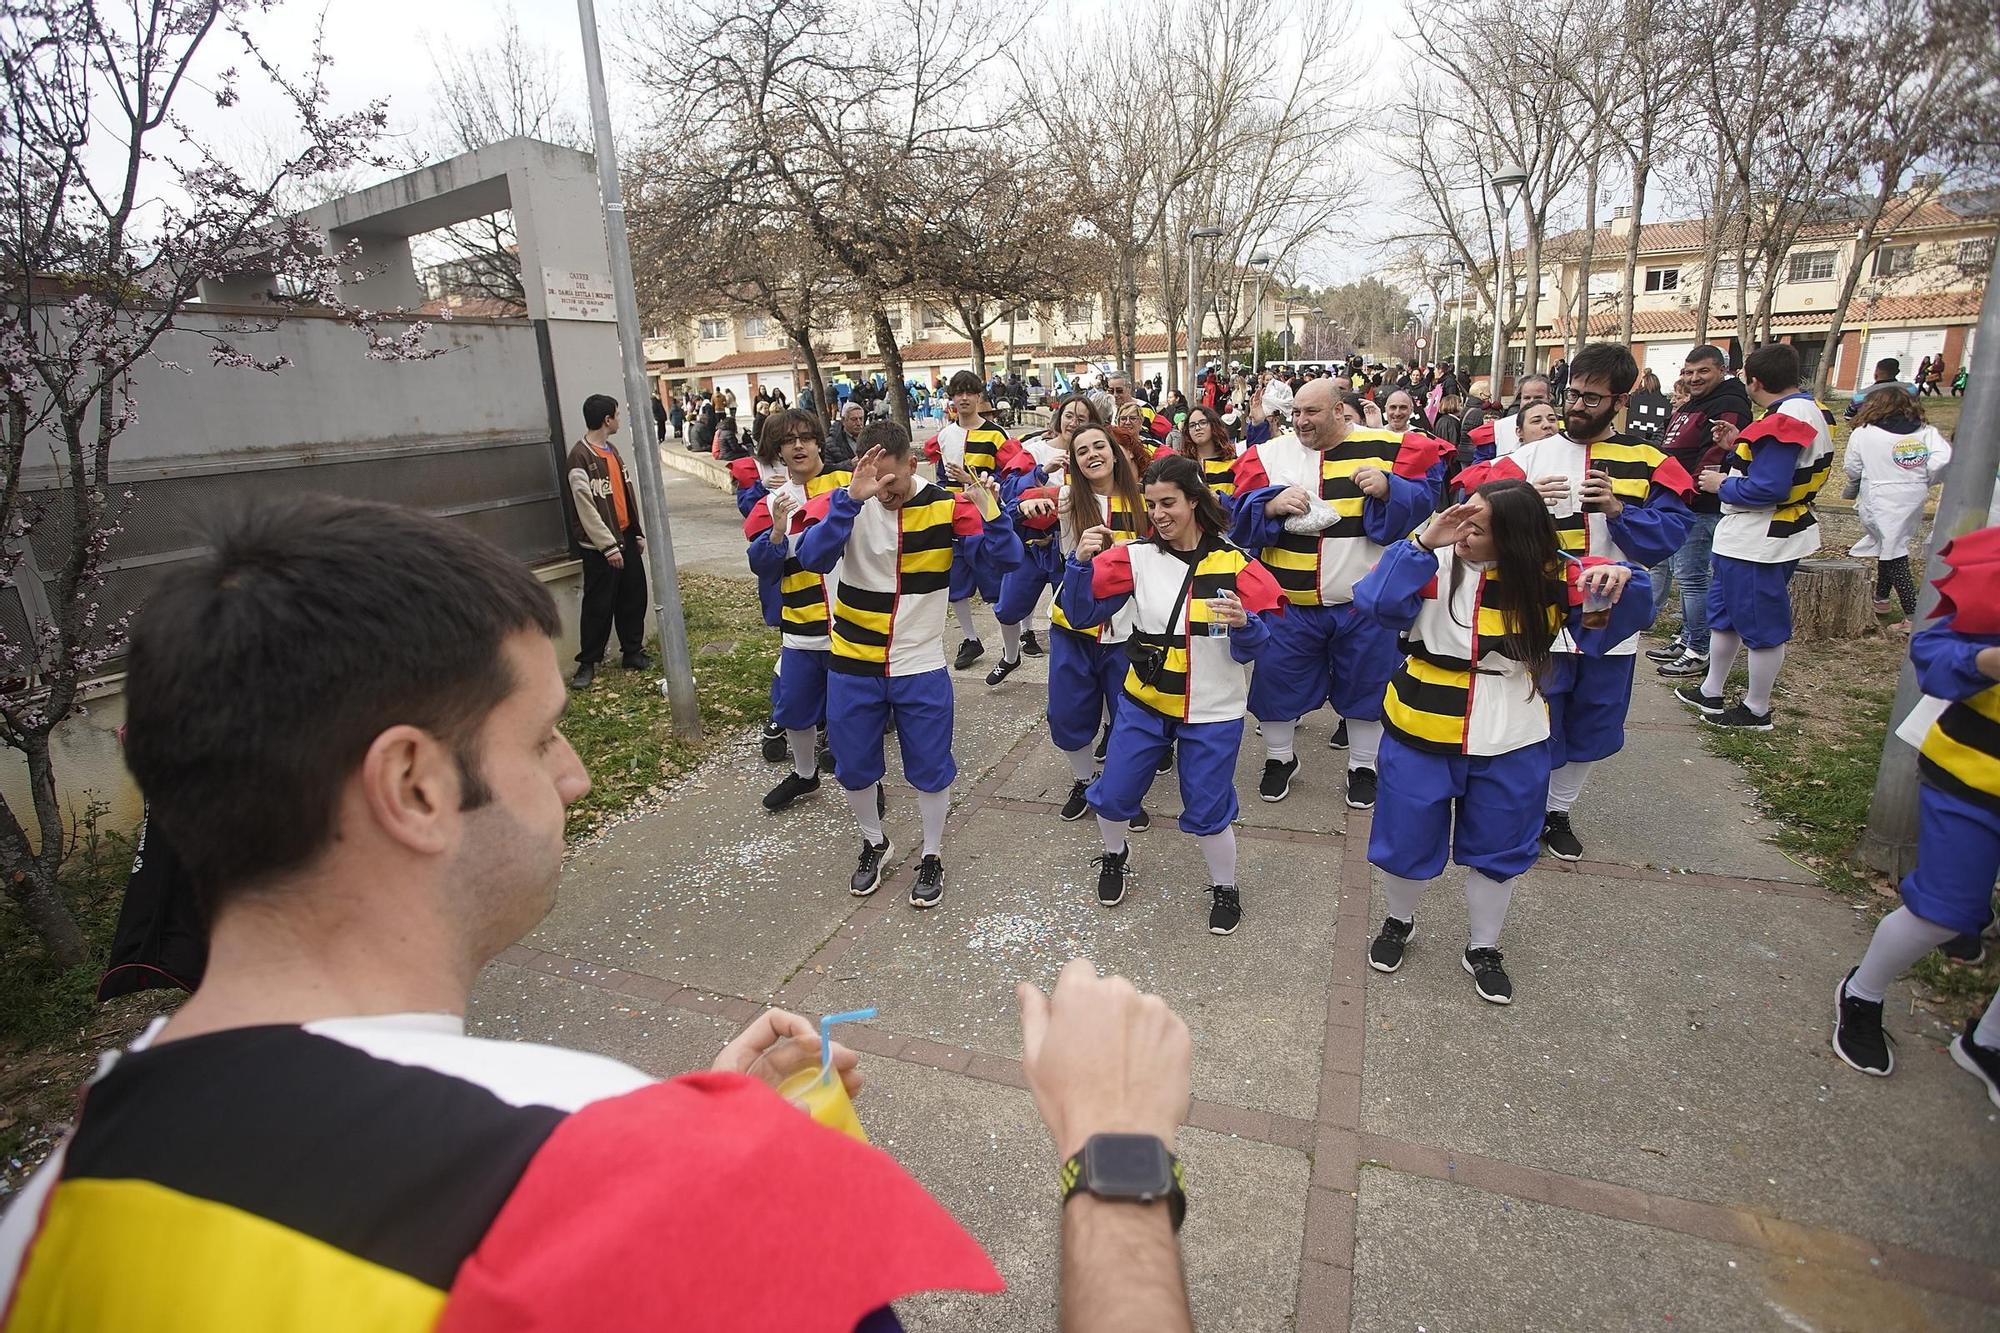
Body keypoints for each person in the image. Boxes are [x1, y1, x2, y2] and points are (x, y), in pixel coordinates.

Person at [0, 495, 1207, 1330]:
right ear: (414, 784)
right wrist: (1116, 1155)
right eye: (539, 735)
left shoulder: (47, 1209)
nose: (575, 773)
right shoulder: (621, 1172)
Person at [1356, 479, 1650, 1003]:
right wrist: (1426, 540)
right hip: (1421, 722)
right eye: (1464, 519)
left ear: (1513, 536)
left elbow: (1624, 611)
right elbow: (1373, 602)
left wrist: (1620, 575)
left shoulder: (1552, 577)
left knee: (1501, 847)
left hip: (1512, 730)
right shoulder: (1429, 564)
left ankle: (1483, 946)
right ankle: (1399, 921)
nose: (1465, 533)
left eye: (1479, 527)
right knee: (1404, 839)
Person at [1460, 344, 1694, 860]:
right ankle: (1523, 807)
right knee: (1534, 718)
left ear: (1620, 399)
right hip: (1536, 614)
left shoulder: (1651, 461)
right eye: (1573, 393)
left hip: (1607, 620)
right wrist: (1514, 501)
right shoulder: (1528, 456)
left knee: (1593, 721)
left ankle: (1558, 811)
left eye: (1592, 397)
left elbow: (1671, 534)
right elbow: (1466, 514)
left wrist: (1617, 510)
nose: (1578, 406)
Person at [796, 422, 1023, 908]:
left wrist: (992, 510)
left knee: (931, 768)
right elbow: (812, 558)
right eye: (874, 480)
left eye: (891, 480)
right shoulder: (848, 499)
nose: (884, 490)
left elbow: (1006, 561)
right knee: (854, 768)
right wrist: (850, 501)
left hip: (918, 661)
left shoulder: (945, 505)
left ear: (912, 464)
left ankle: (934, 853)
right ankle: (875, 841)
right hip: (853, 661)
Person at [1060, 454, 1285, 935]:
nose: (1159, 514)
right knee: (1115, 794)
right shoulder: (1133, 558)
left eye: (1169, 503)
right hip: (1144, 703)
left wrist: (1246, 626)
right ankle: (1114, 855)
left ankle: (1225, 886)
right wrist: (1079, 565)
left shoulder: (1237, 565)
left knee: (1208, 809)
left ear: (1194, 501)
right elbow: (1082, 616)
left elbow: (1258, 646)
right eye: (1152, 505)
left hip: (1212, 710)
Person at [1830, 526, 2000, 1110]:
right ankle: (1863, 992)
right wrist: (1987, 657)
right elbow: (1933, 655)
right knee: (1942, 912)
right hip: (1976, 777)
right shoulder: (1993, 564)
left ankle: (1988, 1043)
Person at [1230, 377, 1449, 810]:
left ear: (1337, 409)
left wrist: (1390, 489)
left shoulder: (1387, 446)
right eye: (1295, 412)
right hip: (1288, 603)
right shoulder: (1269, 455)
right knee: (1276, 684)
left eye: (1311, 411)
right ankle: (1280, 759)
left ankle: (1362, 766)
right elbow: (1237, 515)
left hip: (1361, 604)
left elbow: (1426, 500)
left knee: (1368, 686)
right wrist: (1269, 506)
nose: (1300, 420)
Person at [1678, 342, 1835, 729]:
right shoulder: (1808, 410)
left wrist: (1720, 485)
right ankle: (1711, 690)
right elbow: (1775, 462)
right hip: (1754, 536)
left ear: (1754, 381)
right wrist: (1738, 443)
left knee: (1761, 626)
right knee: (1725, 615)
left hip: (1761, 538)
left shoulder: (1784, 420)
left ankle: (1757, 708)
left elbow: (1769, 487)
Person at [1014, 423, 1154, 828]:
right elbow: (1012, 509)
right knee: (1069, 713)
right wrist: (1023, 506)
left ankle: (1119, 787)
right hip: (1072, 627)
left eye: (1099, 446)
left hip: (1130, 631)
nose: (1092, 454)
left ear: (1115, 453)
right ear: (1072, 461)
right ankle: (1083, 779)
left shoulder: (1146, 503)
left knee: (1128, 715)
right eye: (1081, 450)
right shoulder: (1064, 499)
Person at [745, 410, 856, 811]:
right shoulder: (771, 503)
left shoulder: (848, 484)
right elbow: (761, 564)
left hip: (852, 625)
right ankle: (806, 775)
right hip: (800, 626)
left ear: (818, 442)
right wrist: (776, 530)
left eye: (806, 438)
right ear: (777, 450)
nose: (798, 446)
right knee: (794, 710)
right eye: (789, 441)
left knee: (851, 715)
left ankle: (865, 779)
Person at [1646, 346, 1752, 679]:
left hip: (1700, 503)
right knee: (1683, 574)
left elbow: (1718, 454)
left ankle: (1699, 649)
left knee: (1692, 578)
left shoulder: (1729, 404)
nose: (1694, 378)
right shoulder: (1691, 404)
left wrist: (1688, 489)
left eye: (1703, 371)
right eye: (1689, 372)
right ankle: (1688, 637)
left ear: (1722, 370)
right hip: (1677, 500)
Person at [925, 370, 1022, 671]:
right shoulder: (943, 436)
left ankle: (1011, 652)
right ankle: (970, 638)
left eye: (970, 392)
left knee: (996, 589)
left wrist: (973, 482)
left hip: (984, 521)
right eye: (958, 392)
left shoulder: (996, 435)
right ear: (951, 397)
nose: (964, 398)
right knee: (956, 585)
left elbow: (1010, 479)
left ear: (980, 396)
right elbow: (941, 480)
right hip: (951, 520)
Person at [1843, 387, 1952, 632]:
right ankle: (1881, 599)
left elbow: (1852, 467)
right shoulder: (1926, 432)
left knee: (1894, 551)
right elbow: (1943, 460)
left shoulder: (1863, 433)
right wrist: (1924, 479)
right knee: (1890, 544)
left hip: (1879, 494)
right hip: (1913, 494)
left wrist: (1856, 483)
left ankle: (1913, 616)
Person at [564, 394, 649, 690]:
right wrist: (607, 545)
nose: (619, 420)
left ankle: (633, 652)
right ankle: (587, 662)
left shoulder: (611, 450)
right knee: (598, 604)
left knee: (633, 595)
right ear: (606, 420)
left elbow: (624, 494)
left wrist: (636, 532)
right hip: (601, 545)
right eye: (616, 415)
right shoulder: (580, 457)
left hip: (625, 535)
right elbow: (584, 506)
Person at [1845, 357, 1919, 416]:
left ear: (1875, 374)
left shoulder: (1861, 395)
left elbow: (1848, 416)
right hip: (1906, 430)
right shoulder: (1911, 389)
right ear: (1897, 372)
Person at [825, 399, 866, 469]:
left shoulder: (869, 437)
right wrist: (849, 464)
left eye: (861, 419)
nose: (859, 423)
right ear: (843, 421)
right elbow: (827, 469)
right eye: (854, 419)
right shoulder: (831, 443)